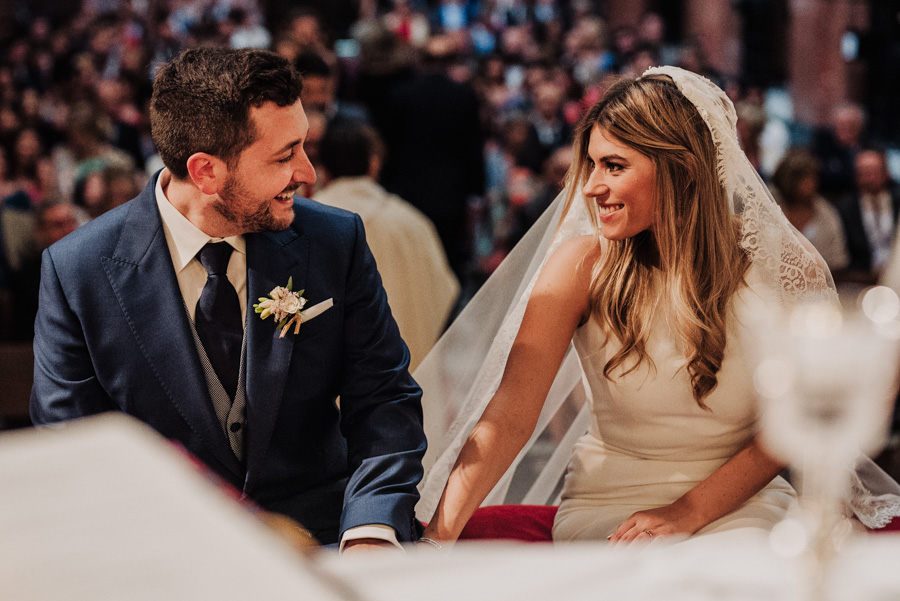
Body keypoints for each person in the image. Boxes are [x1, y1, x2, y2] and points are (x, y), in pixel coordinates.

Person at [417, 67, 900, 547]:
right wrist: (437, 539)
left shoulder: (783, 268)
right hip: (606, 506)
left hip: (742, 505)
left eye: (614, 166)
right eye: (591, 165)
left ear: (682, 169)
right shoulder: (580, 265)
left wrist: (689, 510)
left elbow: (793, 424)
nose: (589, 186)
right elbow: (510, 414)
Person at [30, 47, 427, 551]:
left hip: (327, 545)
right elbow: (72, 449)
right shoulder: (77, 271)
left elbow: (385, 400)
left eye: (303, 146)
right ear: (206, 172)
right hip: (165, 557)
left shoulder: (335, 241)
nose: (307, 172)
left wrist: (370, 529)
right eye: (285, 155)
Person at [314, 122, 458, 371]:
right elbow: (445, 294)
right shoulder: (413, 222)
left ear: (323, 170)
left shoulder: (308, 221)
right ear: (374, 164)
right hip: (409, 377)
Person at [770, 147, 849, 272]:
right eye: (805, 178)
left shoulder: (827, 214)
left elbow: (838, 261)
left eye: (814, 177)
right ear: (789, 180)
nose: (812, 183)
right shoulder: (771, 209)